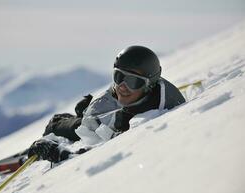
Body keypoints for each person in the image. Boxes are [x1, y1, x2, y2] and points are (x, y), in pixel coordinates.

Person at [28, 45, 186, 163]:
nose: (122, 86)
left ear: (149, 85)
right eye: (119, 76)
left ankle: (56, 125)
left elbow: (104, 159)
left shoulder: (151, 121)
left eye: (133, 81)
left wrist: (58, 153)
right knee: (64, 124)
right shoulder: (142, 95)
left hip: (108, 127)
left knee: (59, 127)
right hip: (112, 119)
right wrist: (93, 107)